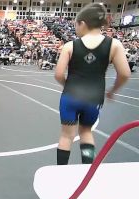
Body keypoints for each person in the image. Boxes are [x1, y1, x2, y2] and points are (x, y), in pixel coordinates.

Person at [54, 3, 131, 165]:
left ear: (83, 23)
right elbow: (124, 74)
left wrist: (67, 86)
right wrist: (113, 91)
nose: (75, 28)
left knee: (66, 136)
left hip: (71, 96)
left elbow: (59, 74)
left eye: (76, 24)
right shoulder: (114, 45)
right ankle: (88, 172)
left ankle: (60, 172)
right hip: (94, 98)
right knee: (86, 132)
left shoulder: (69, 46)